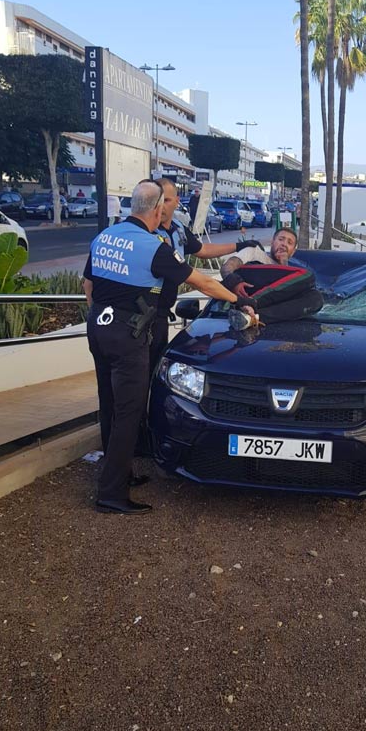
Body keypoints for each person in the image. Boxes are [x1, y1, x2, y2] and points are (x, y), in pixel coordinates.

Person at [82, 180, 257, 515]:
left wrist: (99, 314)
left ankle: (119, 474)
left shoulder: (105, 236)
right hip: (129, 333)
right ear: (158, 207)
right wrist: (241, 300)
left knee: (109, 404)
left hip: (98, 328)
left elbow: (88, 283)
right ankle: (111, 492)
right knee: (129, 412)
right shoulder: (152, 246)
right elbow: (203, 282)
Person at [151, 177, 263, 370]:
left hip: (159, 316)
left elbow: (202, 250)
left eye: (166, 201)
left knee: (152, 371)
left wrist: (239, 245)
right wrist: (238, 300)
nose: (160, 206)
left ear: (177, 201)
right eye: (157, 201)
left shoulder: (178, 229)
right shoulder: (148, 234)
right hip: (143, 316)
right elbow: (200, 283)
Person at [220, 228, 324, 330]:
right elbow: (226, 268)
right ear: (272, 242)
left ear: (292, 252)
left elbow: (284, 288)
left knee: (316, 297)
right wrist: (235, 282)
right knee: (308, 275)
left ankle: (251, 318)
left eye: (289, 242)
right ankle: (251, 303)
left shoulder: (292, 274)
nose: (284, 244)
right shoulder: (254, 251)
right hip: (247, 290)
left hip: (264, 305)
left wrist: (284, 264)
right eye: (281, 239)